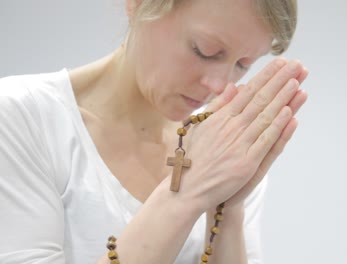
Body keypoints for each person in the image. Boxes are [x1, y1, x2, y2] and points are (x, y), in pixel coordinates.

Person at [0, 0, 308, 263]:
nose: (220, 85)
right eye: (204, 51)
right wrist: (186, 194)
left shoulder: (222, 146)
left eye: (243, 64)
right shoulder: (21, 117)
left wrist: (228, 210)